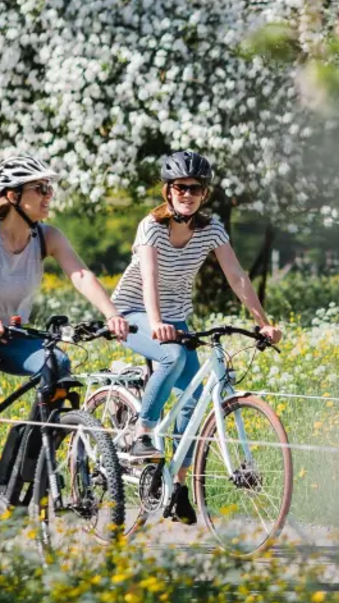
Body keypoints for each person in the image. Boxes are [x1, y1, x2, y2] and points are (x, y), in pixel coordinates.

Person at [0, 153, 131, 521]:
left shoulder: (46, 236)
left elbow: (80, 274)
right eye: (40, 188)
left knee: (58, 362)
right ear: (12, 196)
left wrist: (111, 313)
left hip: (7, 337)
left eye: (49, 188)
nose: (48, 195)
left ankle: (22, 464)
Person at [114, 150, 281, 461]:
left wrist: (263, 322)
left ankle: (177, 484)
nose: (188, 195)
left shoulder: (211, 229)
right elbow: (149, 276)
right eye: (180, 187)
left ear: (205, 193)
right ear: (168, 190)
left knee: (192, 396)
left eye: (196, 188)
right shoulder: (151, 226)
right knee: (172, 356)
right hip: (133, 312)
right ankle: (142, 435)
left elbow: (237, 276)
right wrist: (156, 323)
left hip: (174, 317)